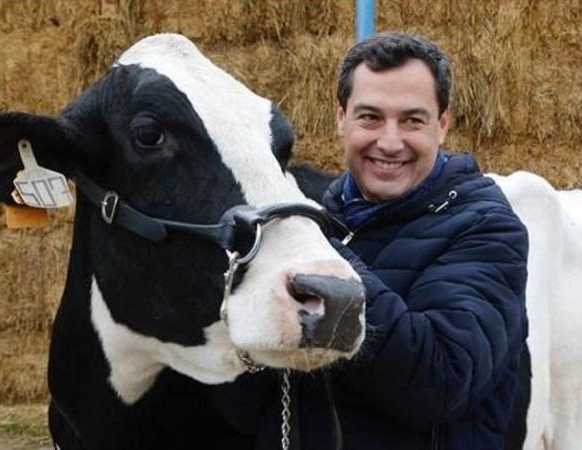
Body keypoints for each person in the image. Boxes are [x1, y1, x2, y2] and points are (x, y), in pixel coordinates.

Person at [214, 32, 529, 450]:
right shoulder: (315, 222)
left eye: (412, 120)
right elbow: (245, 409)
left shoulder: (486, 229)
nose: (390, 142)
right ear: (341, 118)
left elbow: (438, 382)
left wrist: (319, 257)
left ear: (443, 124)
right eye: (370, 117)